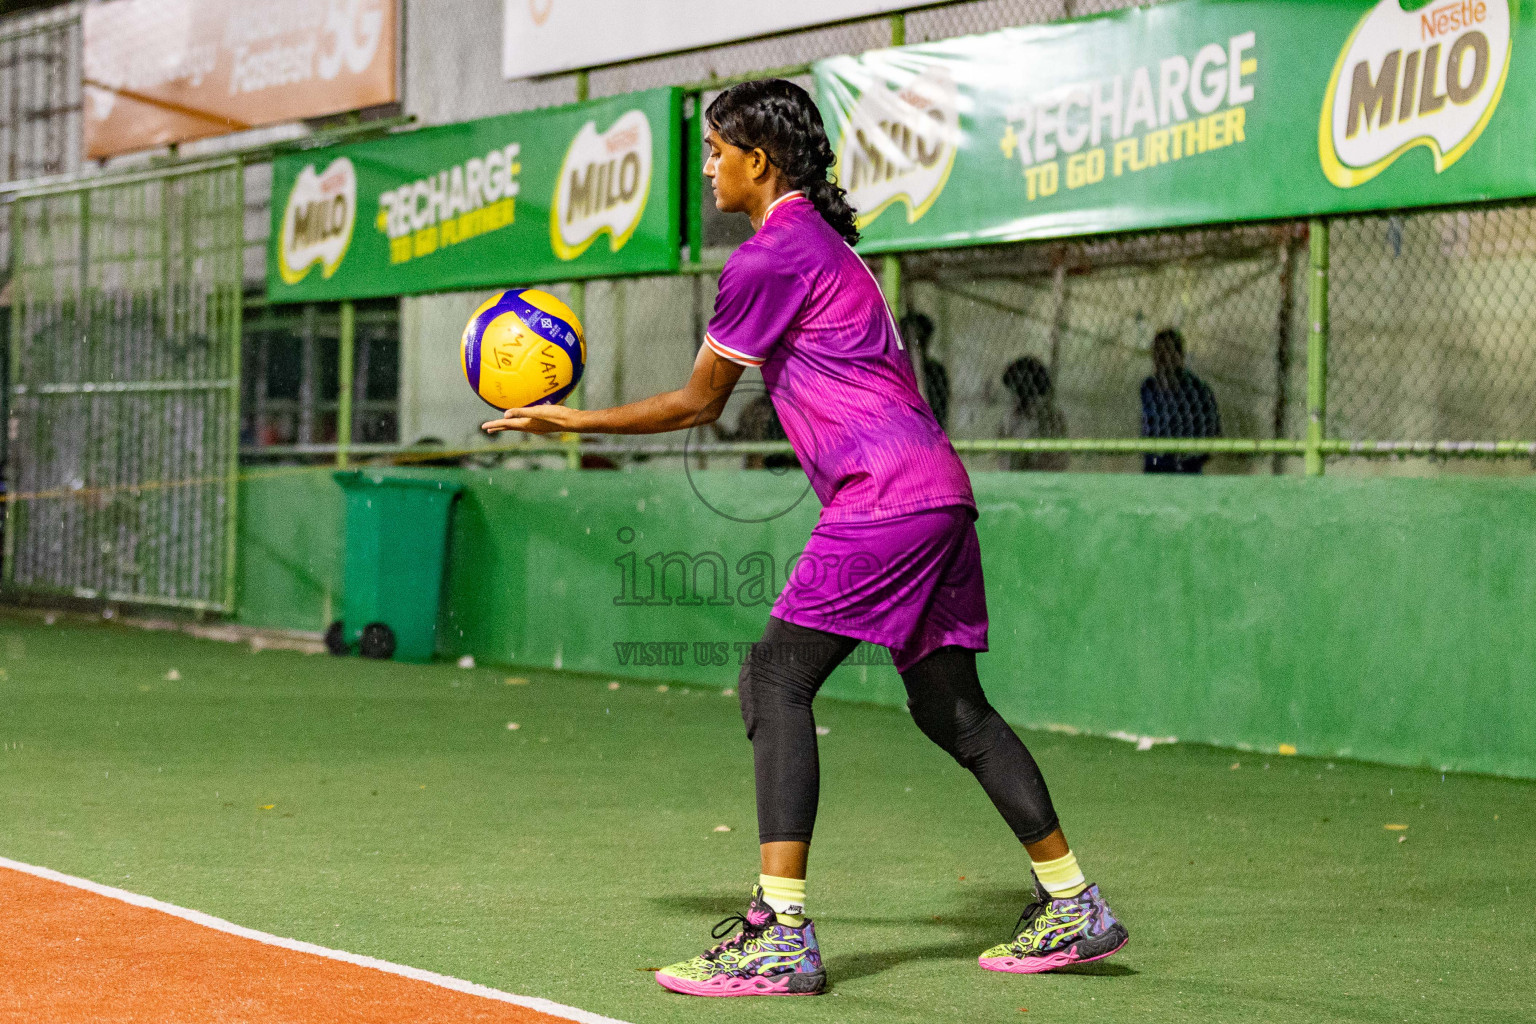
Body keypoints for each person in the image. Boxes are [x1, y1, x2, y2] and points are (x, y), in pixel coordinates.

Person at [482, 79, 1127, 997]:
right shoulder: (829, 246)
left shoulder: (770, 256)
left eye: (716, 152)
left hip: (884, 496)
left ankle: (779, 932)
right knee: (949, 705)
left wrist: (569, 421)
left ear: (759, 160)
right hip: (938, 492)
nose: (707, 168)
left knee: (774, 679)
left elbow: (698, 403)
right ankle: (1073, 903)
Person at [1140, 328, 1221, 474]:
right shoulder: (1148, 387)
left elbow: (1213, 433)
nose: (1163, 357)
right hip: (1155, 464)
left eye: (1169, 351)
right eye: (1158, 351)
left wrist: (1191, 458)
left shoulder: (1198, 390)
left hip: (1186, 465)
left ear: (1180, 356)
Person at [1000, 356, 1069, 472]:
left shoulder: (1050, 416)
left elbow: (1057, 459)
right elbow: (1005, 458)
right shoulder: (1012, 416)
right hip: (1016, 473)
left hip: (1046, 473)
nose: (1012, 396)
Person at [900, 311, 951, 430]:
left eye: (920, 341)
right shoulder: (896, 370)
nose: (915, 347)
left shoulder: (936, 371)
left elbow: (940, 412)